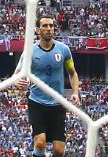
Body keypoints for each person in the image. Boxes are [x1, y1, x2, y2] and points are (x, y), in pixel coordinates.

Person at [15, 16, 81, 157]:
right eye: (45, 26)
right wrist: (17, 82)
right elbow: (16, 75)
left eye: (51, 26)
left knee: (58, 150)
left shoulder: (63, 50)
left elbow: (72, 73)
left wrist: (75, 92)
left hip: (58, 104)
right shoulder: (30, 52)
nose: (49, 29)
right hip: (37, 103)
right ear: (38, 30)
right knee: (40, 143)